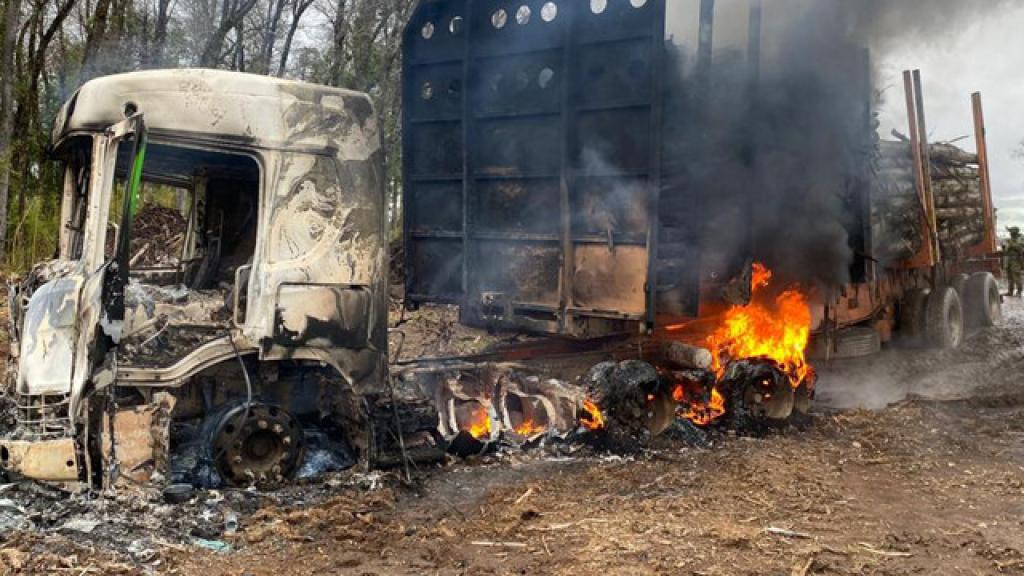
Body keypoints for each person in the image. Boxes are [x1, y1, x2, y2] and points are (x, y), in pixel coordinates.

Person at [1004, 227, 1024, 297]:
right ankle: (1010, 291)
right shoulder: (1010, 240)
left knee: (1017, 276)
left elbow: (1021, 249)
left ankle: (1019, 291)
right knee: (1010, 277)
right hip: (1009, 260)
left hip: (1016, 261)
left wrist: (1011, 244)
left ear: (1015, 232)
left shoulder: (1020, 239)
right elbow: (1006, 250)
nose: (1010, 233)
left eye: (1011, 232)